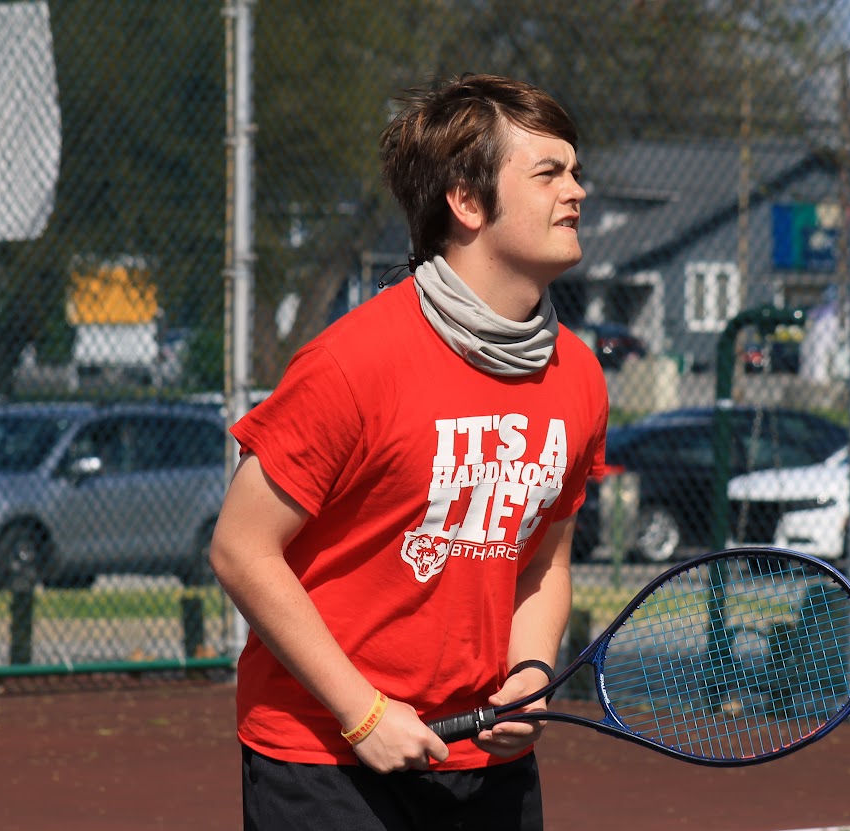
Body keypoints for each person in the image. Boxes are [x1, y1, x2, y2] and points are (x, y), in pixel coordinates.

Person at [209, 73, 608, 831]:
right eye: (550, 173)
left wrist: (526, 679)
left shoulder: (579, 376)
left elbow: (545, 560)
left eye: (577, 171)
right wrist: (364, 714)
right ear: (466, 202)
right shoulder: (354, 362)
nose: (577, 192)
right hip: (325, 757)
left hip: (486, 761)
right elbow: (240, 548)